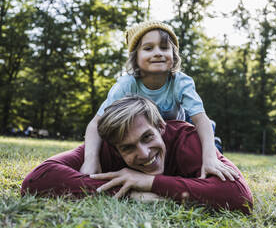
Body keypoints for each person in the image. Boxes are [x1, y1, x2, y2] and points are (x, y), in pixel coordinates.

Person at [21, 95, 253, 214]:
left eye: (147, 137)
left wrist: (149, 182)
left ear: (161, 126)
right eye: (128, 148)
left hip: (198, 145)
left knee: (213, 149)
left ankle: (217, 143)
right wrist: (131, 193)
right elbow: (37, 179)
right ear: (114, 147)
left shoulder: (186, 138)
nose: (144, 154)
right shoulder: (105, 149)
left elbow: (239, 196)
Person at [80, 20, 235, 181]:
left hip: (176, 129)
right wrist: (91, 159)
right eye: (148, 48)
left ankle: (214, 151)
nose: (158, 53)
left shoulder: (180, 82)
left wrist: (210, 157)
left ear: (174, 55)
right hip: (145, 135)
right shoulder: (126, 85)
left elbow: (201, 120)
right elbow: (96, 123)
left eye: (164, 47)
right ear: (135, 57)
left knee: (204, 140)